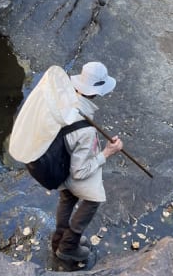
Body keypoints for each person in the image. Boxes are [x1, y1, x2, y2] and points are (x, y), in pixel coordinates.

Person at [52, 61, 123, 263]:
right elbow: (80, 172)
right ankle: (68, 246)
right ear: (98, 90)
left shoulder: (67, 102)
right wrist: (107, 152)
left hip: (60, 163)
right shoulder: (86, 131)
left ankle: (59, 238)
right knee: (93, 199)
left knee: (67, 197)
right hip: (73, 168)